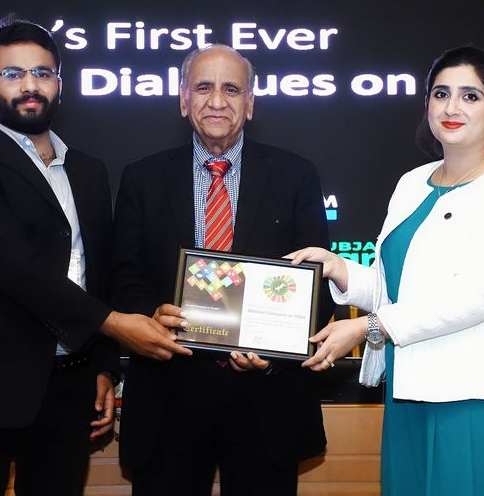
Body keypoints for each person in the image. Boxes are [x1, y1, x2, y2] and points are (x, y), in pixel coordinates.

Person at [0, 18, 190, 496]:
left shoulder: (89, 170)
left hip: (70, 391)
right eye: (13, 75)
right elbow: (16, 269)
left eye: (42, 73)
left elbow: (100, 273)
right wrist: (114, 324)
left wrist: (105, 367)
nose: (30, 86)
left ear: (59, 85)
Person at [288, 45, 484, 496]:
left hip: (473, 396)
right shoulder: (411, 183)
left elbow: (475, 298)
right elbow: (394, 290)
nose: (451, 107)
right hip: (408, 388)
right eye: (441, 94)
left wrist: (369, 328)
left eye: (470, 96)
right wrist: (336, 268)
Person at [108, 44, 333, 496]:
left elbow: (319, 281)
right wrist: (152, 312)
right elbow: (121, 275)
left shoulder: (296, 175)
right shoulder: (142, 177)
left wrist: (277, 349)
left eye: (232, 89)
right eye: (203, 87)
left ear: (250, 104)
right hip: (169, 392)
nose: (217, 101)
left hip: (265, 396)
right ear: (182, 98)